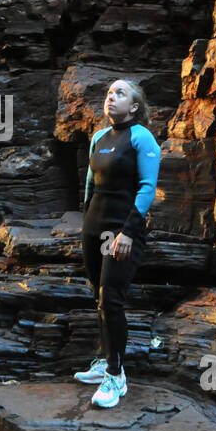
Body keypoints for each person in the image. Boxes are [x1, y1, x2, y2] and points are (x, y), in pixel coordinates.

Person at [74, 79, 161, 408]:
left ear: (134, 107)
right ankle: (105, 360)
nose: (111, 97)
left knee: (111, 298)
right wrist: (85, 224)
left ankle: (116, 375)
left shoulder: (141, 138)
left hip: (123, 232)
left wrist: (128, 232)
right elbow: (89, 187)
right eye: (109, 93)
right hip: (94, 230)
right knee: (99, 296)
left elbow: (147, 188)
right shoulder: (98, 137)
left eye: (120, 93)